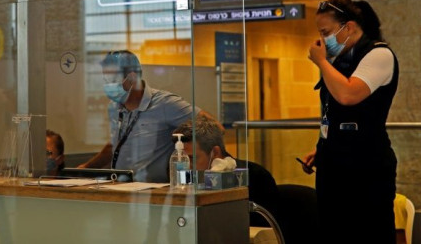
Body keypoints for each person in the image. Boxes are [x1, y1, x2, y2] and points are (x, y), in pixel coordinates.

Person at [301, 0, 399, 244]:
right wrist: (322, 145)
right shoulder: (342, 60)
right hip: (334, 165)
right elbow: (334, 110)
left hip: (366, 167)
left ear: (350, 27)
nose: (323, 40)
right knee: (334, 232)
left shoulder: (379, 54)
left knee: (367, 232)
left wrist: (322, 61)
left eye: (326, 32)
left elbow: (348, 95)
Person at [79, 50, 213, 183]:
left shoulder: (165, 104)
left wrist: (191, 159)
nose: (107, 85)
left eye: (112, 79)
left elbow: (213, 127)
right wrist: (85, 168)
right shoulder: (114, 107)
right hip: (121, 186)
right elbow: (115, 146)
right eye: (105, 79)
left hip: (154, 192)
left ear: (131, 78)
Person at [173, 117, 280, 227]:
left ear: (215, 152)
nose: (185, 167)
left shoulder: (255, 177)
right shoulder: (185, 178)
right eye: (181, 160)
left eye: (191, 159)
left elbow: (260, 230)